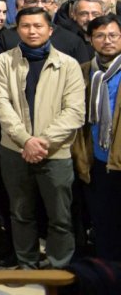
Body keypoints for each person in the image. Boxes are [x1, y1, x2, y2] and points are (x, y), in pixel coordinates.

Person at [0, 6, 85, 269]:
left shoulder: (68, 65)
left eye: (38, 26)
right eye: (25, 26)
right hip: (14, 150)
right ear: (17, 29)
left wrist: (41, 141)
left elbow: (75, 112)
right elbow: (1, 104)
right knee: (21, 212)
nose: (32, 31)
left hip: (55, 152)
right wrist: (26, 140)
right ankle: (27, 263)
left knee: (60, 216)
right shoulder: (5, 61)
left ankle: (59, 267)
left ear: (50, 30)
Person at [73, 14, 121, 261]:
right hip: (95, 162)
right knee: (104, 226)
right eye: (100, 36)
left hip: (120, 159)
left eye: (113, 35)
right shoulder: (82, 73)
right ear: (90, 39)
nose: (107, 41)